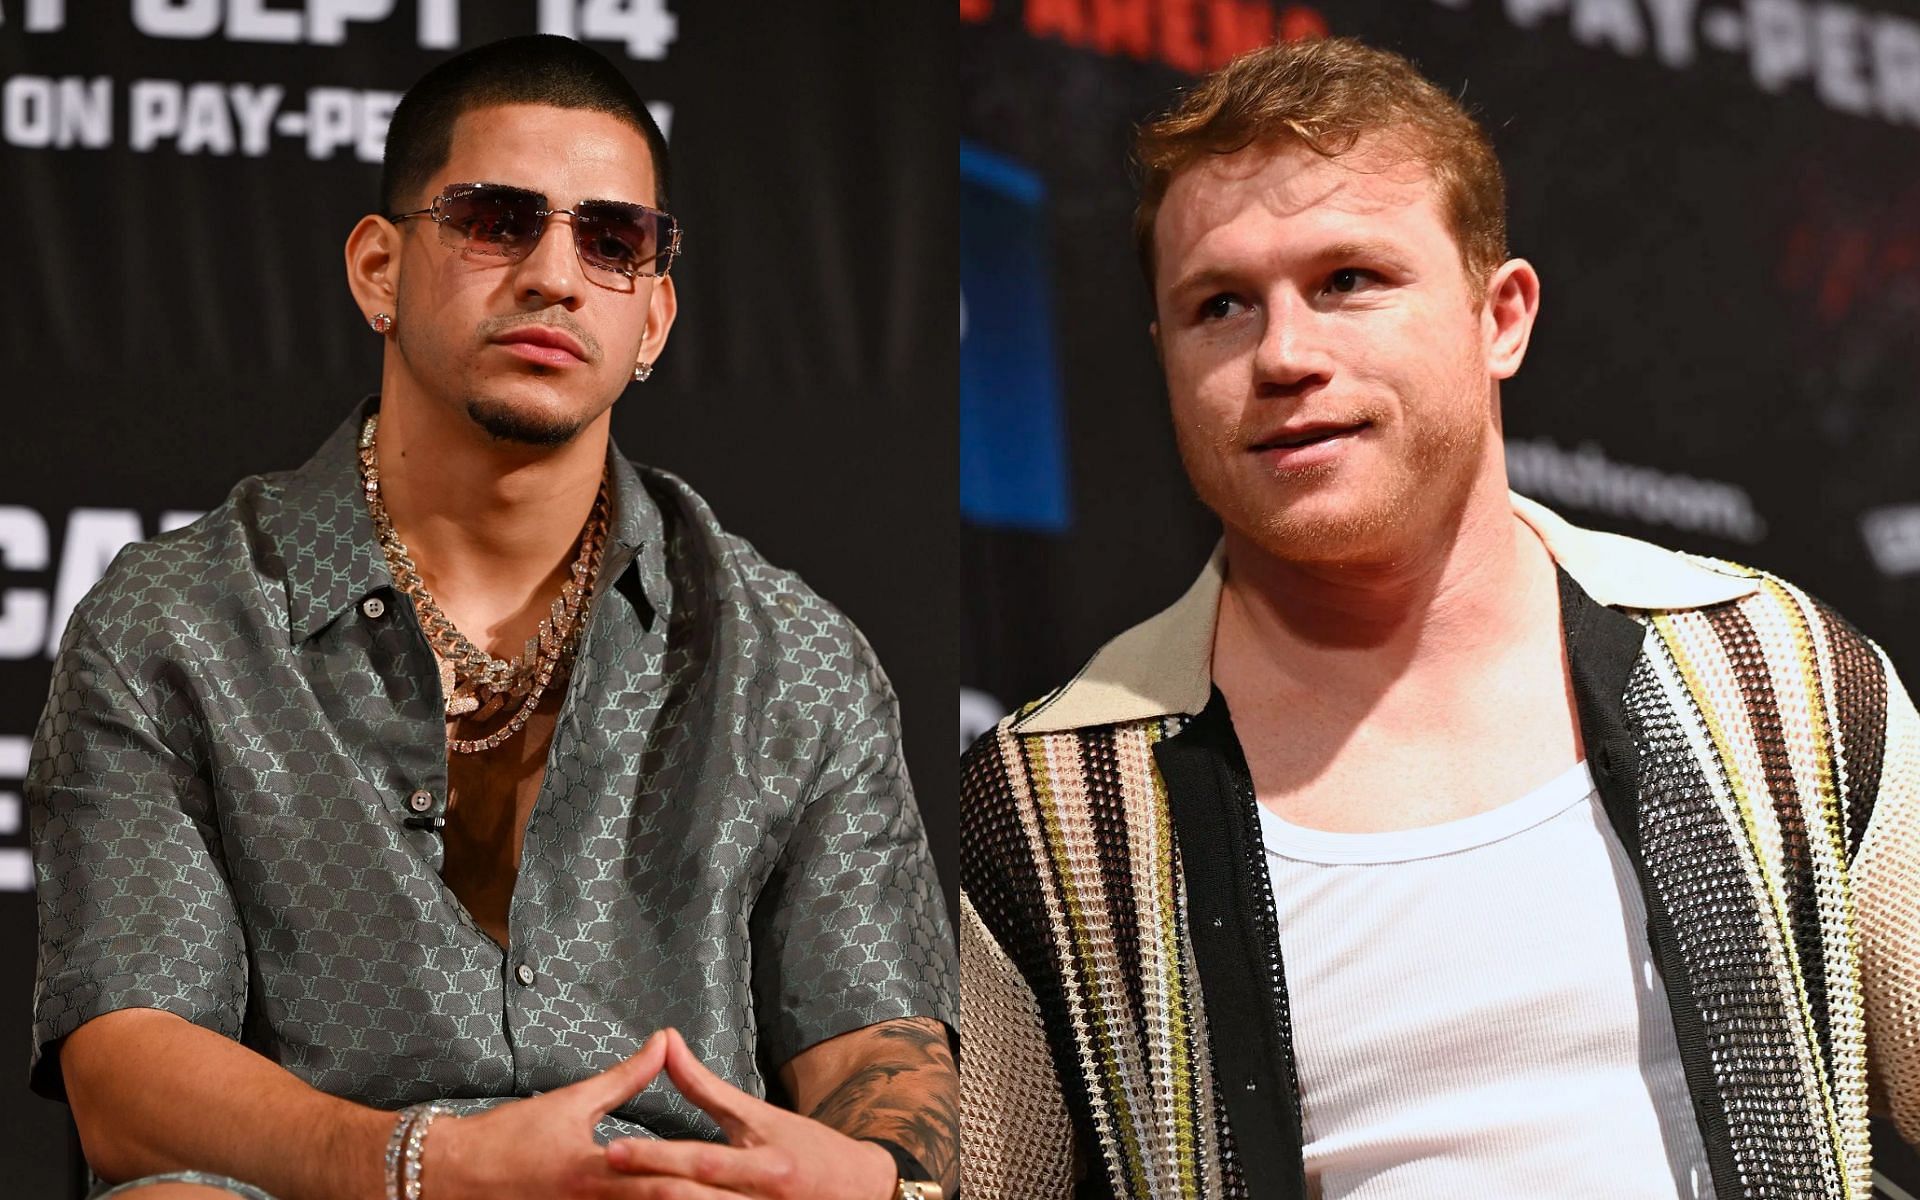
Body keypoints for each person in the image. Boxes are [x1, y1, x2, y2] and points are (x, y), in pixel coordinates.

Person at [959, 36, 1917, 1200]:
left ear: (1500, 317)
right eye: (1220, 305)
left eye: (1349, 280)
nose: (1285, 354)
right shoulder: (1051, 801)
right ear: (1165, 358)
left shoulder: (1774, 672)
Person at [29, 35, 955, 1200]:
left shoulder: (797, 660)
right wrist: (435, 1167)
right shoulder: (178, 625)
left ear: (654, 317)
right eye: (496, 220)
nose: (555, 275)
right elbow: (124, 1073)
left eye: (610, 242)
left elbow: (883, 1051)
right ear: (378, 269)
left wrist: (866, 1176)